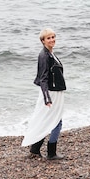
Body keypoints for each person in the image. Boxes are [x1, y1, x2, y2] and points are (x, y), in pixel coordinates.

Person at [21, 28, 66, 160]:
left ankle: (35, 150)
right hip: (50, 93)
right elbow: (43, 79)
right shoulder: (44, 56)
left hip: (54, 92)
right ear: (43, 41)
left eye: (53, 37)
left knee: (48, 120)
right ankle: (51, 152)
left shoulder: (51, 53)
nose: (52, 39)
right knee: (55, 121)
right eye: (48, 38)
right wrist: (47, 98)